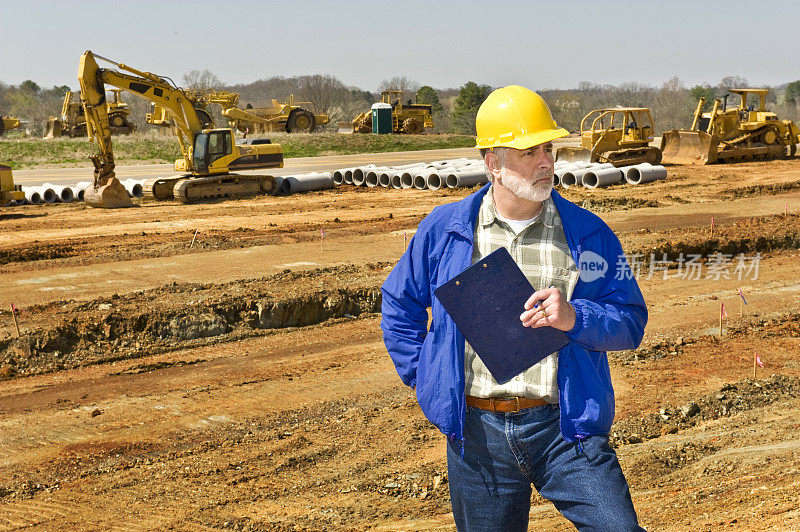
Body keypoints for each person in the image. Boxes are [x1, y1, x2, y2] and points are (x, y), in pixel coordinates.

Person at [380, 85, 648, 531]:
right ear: (494, 164)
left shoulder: (588, 234)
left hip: (566, 431)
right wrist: (426, 375)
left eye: (549, 148)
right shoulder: (444, 231)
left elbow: (631, 320)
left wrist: (576, 318)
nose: (547, 161)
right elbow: (399, 305)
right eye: (530, 151)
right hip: (477, 437)